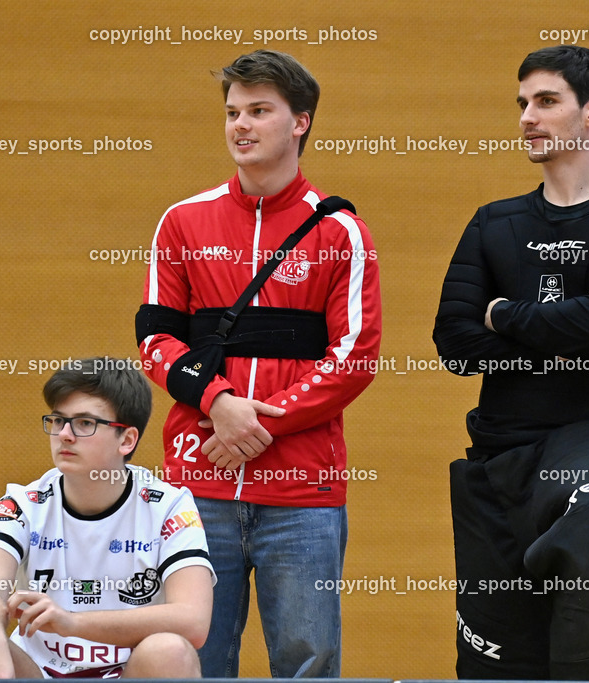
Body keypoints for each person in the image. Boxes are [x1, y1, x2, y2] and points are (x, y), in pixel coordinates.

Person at [433, 45, 589, 681]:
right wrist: (568, 322)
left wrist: (505, 313)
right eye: (522, 103)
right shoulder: (494, 223)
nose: (527, 116)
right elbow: (455, 343)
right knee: (497, 661)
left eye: (546, 102)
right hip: (498, 456)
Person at [135, 50, 381, 678]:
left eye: (259, 111)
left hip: (303, 493)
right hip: (196, 487)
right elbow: (156, 343)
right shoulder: (182, 222)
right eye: (232, 113)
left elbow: (354, 356)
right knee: (193, 659)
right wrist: (220, 403)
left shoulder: (340, 231)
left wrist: (257, 425)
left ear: (300, 121)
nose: (240, 126)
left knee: (308, 661)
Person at [0, 358, 214, 679]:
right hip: (39, 671)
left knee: (170, 650)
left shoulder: (169, 506)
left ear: (127, 439)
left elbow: (193, 621)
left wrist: (74, 623)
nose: (65, 435)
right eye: (58, 421)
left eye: (85, 423)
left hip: (128, 672)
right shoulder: (21, 504)